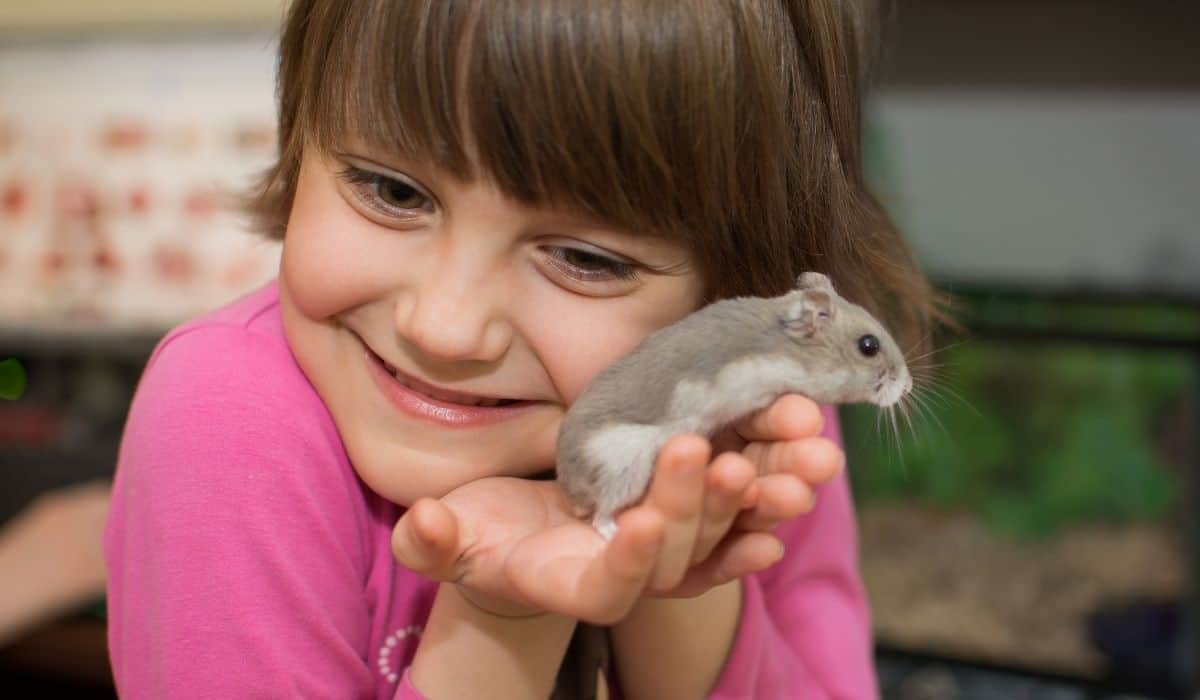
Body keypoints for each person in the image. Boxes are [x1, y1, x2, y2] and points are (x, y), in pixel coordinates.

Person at [103, 1, 946, 697]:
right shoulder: (229, 422)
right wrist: (503, 616)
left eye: (585, 258)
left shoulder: (756, 428)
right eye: (391, 191)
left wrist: (667, 562)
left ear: (735, 289)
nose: (444, 327)